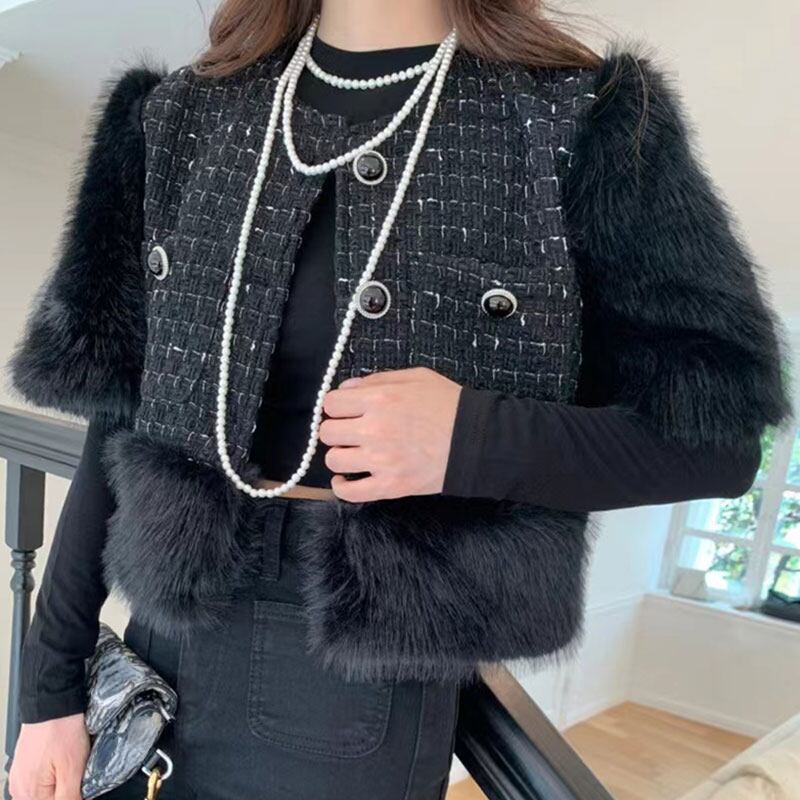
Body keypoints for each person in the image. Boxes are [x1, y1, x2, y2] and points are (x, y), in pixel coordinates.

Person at [7, 0, 791, 798]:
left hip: (348, 681)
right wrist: (49, 693)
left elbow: (715, 447)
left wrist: (471, 438)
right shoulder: (180, 115)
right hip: (158, 654)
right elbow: (121, 417)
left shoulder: (581, 123)